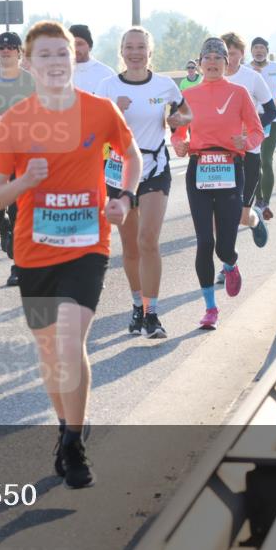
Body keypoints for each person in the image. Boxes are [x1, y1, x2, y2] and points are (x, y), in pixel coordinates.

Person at [0, 21, 141, 488]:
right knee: (51, 353)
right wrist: (24, 182)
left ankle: (74, 443)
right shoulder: (14, 122)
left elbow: (131, 156)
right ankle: (67, 424)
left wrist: (124, 197)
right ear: (28, 64)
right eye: (45, 55)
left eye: (62, 54)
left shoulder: (99, 110)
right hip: (34, 252)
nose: (55, 62)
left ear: (73, 59)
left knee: (70, 342)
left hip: (87, 246)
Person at [96, 26, 191, 338]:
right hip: (119, 171)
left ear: (150, 52)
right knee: (130, 246)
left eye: (141, 47)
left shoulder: (164, 85)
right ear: (121, 51)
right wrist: (115, 112)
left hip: (154, 168)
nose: (135, 53)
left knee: (148, 240)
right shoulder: (107, 87)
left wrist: (178, 120)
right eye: (129, 47)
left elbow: (186, 113)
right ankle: (137, 304)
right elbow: (92, 131)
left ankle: (152, 313)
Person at [171, 38, 264, 330]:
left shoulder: (239, 93)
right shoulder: (189, 95)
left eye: (218, 58)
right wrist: (179, 144)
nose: (212, 62)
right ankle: (210, 308)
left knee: (224, 247)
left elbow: (257, 131)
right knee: (204, 242)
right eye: (207, 58)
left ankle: (231, 263)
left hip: (229, 168)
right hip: (199, 167)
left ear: (227, 63)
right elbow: (178, 132)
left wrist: (245, 141)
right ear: (200, 63)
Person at [0, 31, 36, 287]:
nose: (5, 51)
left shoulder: (31, 81)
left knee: (18, 210)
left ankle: (18, 267)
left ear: (19, 52)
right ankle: (3, 227)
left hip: (22, 155)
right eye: (1, 47)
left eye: (11, 47)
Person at [220, 32, 275, 250]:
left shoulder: (252, 78)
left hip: (248, 150)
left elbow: (271, 111)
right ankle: (228, 261)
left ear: (242, 54)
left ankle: (255, 220)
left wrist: (252, 127)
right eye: (225, 53)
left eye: (233, 54)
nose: (228, 59)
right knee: (223, 211)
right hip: (221, 151)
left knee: (242, 215)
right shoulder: (212, 77)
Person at [247, 37, 276, 224]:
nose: (259, 51)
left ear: (267, 51)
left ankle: (265, 203)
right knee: (253, 163)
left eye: (262, 48)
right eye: (255, 48)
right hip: (251, 120)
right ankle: (258, 199)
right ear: (251, 51)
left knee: (266, 160)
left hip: (272, 119)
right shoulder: (245, 69)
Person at [69, 24, 115, 93]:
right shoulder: (59, 73)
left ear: (90, 46)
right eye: (72, 44)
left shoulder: (106, 74)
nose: (75, 49)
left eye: (80, 44)